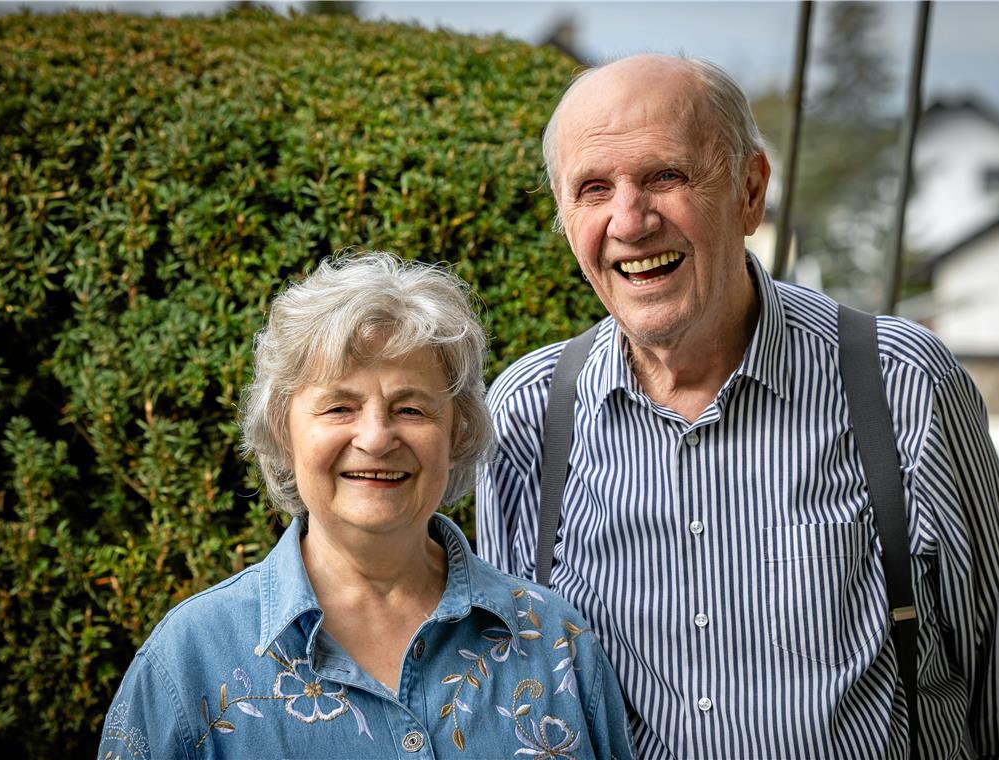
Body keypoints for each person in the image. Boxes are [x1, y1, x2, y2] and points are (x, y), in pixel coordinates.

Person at [476, 54, 999, 758]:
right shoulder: (527, 415)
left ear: (750, 191)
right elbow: (521, 700)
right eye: (593, 188)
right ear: (567, 219)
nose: (629, 221)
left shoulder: (902, 385)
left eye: (666, 176)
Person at [97, 252, 635, 759]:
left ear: (458, 430)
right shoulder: (189, 662)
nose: (376, 438)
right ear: (285, 434)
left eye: (411, 408)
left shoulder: (556, 645)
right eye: (338, 407)